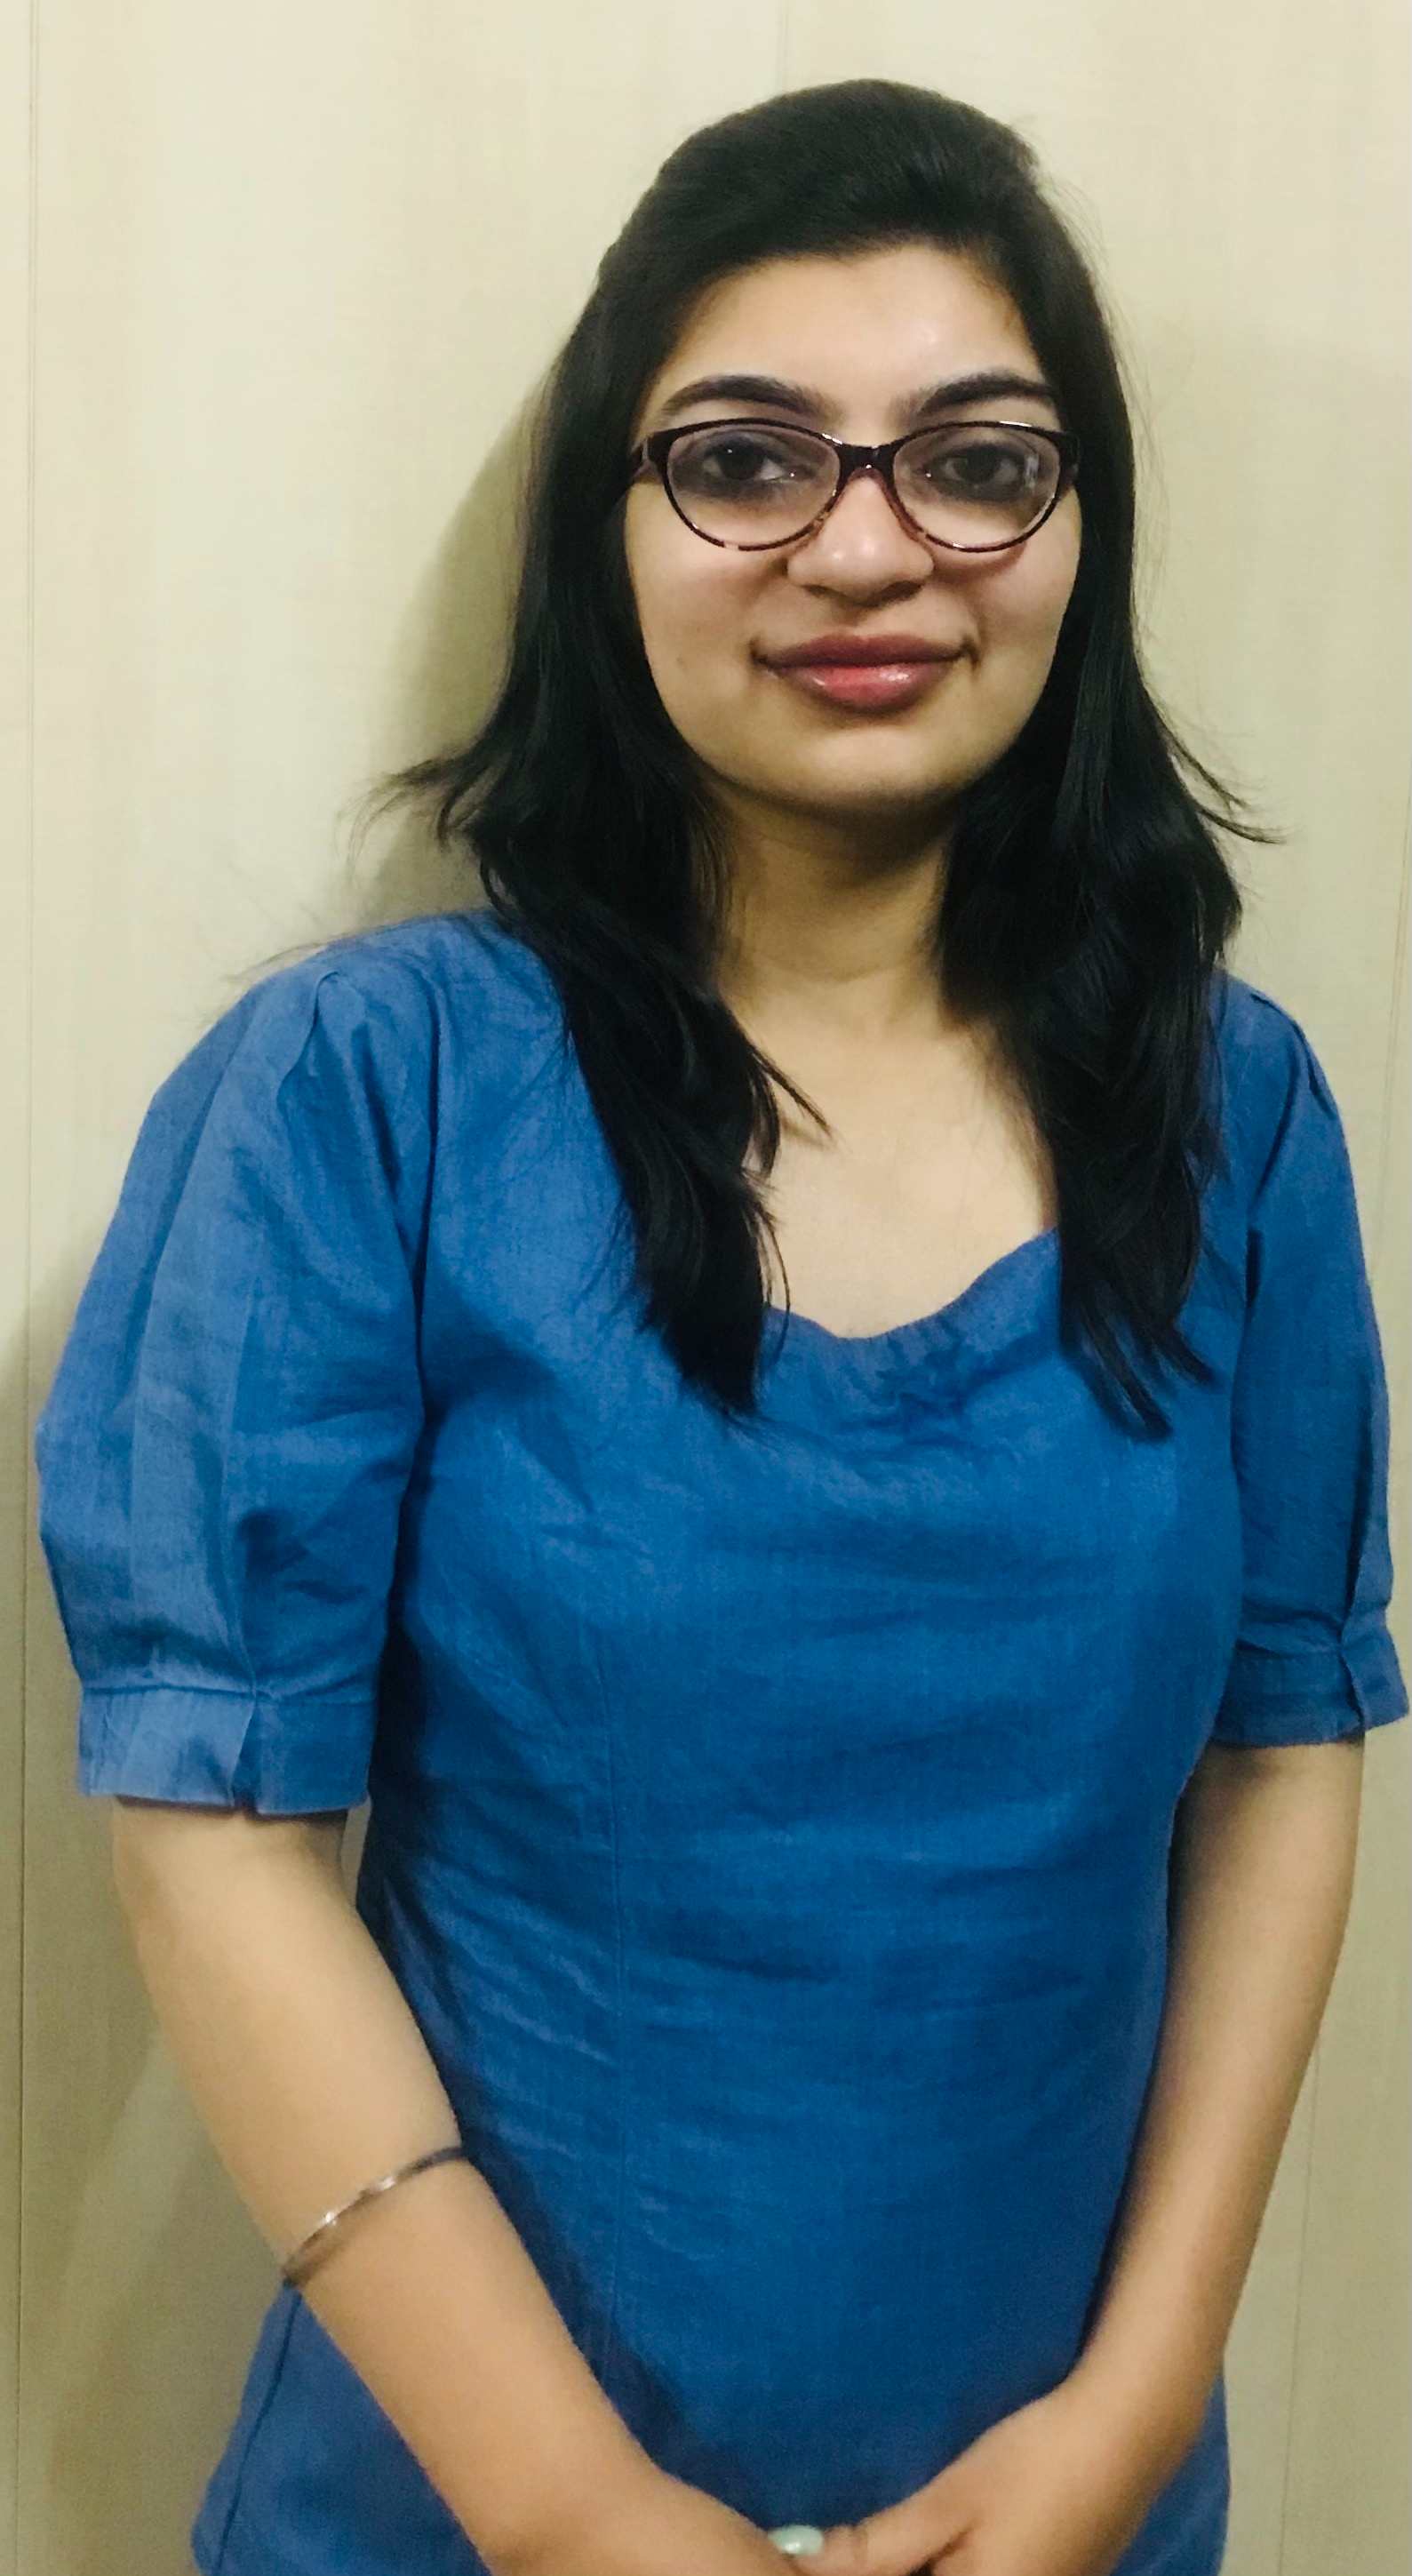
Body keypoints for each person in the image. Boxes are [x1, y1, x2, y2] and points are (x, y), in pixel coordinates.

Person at [32, 76, 1408, 2576]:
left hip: (1072, 2514)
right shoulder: (369, 1096)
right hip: (452, 2517)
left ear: (1079, 530)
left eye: (975, 463)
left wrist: (1137, 2407)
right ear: (609, 527)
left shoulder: (1238, 1115)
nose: (866, 548)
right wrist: (577, 2516)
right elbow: (216, 1833)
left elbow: (1285, 1752)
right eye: (746, 459)